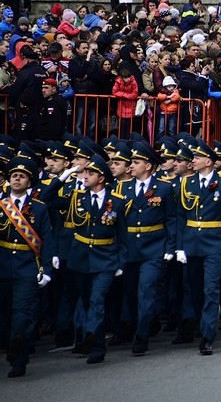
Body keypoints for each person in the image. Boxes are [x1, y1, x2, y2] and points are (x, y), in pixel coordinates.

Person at [116, 142, 176, 355]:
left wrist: (170, 247)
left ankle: (141, 335)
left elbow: (171, 219)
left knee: (147, 291)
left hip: (154, 248)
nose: (131, 166)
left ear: (149, 166)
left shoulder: (164, 188)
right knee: (131, 293)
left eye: (136, 162)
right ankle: (139, 324)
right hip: (130, 248)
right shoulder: (122, 188)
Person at [173, 139, 221, 355]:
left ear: (208, 161)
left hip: (215, 243)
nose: (193, 161)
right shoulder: (186, 184)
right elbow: (180, 217)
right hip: (192, 243)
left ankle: (208, 335)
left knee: (211, 289)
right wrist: (179, 247)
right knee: (195, 290)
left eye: (197, 158)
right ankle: (201, 323)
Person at [67, 154, 126, 365]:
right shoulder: (77, 198)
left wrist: (120, 262)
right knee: (86, 300)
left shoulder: (117, 202)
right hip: (81, 259)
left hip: (106, 259)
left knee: (97, 300)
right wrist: (63, 176)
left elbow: (123, 235)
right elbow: (48, 198)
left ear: (101, 178)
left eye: (90, 173)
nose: (85, 176)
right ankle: (96, 344)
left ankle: (92, 334)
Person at [0, 157, 55, 378]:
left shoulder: (39, 209)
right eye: (14, 175)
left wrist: (48, 270)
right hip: (3, 265)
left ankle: (19, 359)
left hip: (26, 268)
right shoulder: (2, 205)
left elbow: (47, 241)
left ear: (29, 181)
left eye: (21, 176)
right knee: (4, 315)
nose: (17, 179)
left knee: (22, 315)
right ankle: (10, 343)